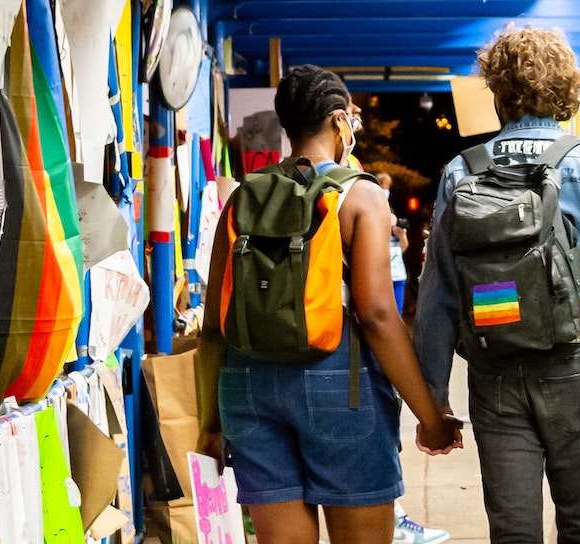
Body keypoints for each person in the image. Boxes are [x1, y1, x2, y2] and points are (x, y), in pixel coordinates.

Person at [196, 64, 462, 544]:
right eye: (354, 121)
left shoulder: (240, 200)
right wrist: (429, 416)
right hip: (339, 386)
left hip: (247, 390)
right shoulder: (360, 197)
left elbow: (214, 325)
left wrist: (210, 425)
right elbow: (378, 316)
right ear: (339, 121)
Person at [414, 26, 580, 543]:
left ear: (498, 92)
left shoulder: (462, 172)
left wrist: (432, 400)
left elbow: (439, 293)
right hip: (578, 367)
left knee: (513, 532)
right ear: (566, 91)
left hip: (494, 369)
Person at [371, 171, 411, 315]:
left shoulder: (392, 212)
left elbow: (403, 247)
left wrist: (401, 236)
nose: (385, 190)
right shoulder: (369, 212)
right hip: (379, 274)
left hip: (398, 273)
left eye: (387, 187)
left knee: (397, 313)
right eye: (383, 186)